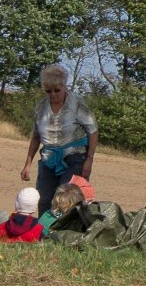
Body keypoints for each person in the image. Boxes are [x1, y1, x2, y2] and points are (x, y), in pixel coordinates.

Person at [22, 65, 97, 204]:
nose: (53, 94)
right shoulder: (41, 107)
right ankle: (44, 226)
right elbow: (36, 136)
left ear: (64, 86)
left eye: (57, 90)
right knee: (44, 199)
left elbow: (92, 131)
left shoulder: (76, 103)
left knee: (65, 199)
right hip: (49, 158)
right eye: (48, 91)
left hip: (74, 157)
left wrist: (89, 159)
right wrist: (27, 164)